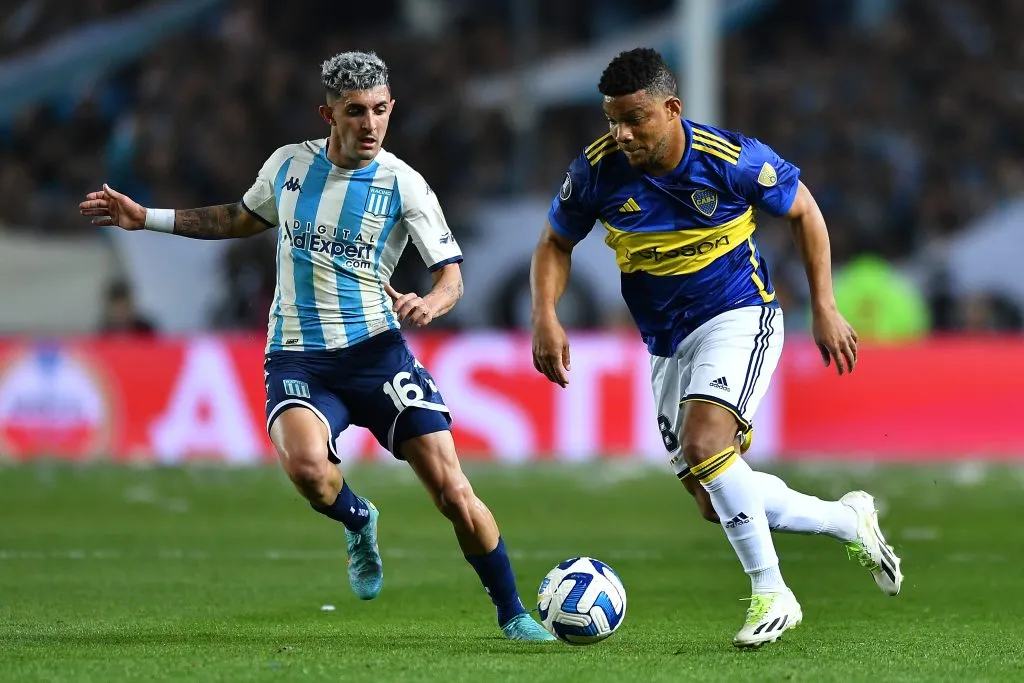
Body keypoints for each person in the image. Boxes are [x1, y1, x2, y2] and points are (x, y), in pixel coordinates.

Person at [80, 50, 553, 642]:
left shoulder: (404, 184)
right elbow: (238, 218)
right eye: (356, 111)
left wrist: (430, 304)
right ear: (327, 112)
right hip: (299, 356)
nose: (371, 124)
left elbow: (451, 274)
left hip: (379, 355)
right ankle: (359, 519)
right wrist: (145, 216)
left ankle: (513, 615)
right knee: (309, 470)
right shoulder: (288, 168)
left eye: (380, 110)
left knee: (455, 492)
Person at [530, 48, 902, 648]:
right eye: (612, 120)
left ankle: (772, 592)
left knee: (708, 445)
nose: (622, 133)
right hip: (666, 342)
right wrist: (545, 314)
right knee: (714, 497)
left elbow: (803, 210)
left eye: (635, 118)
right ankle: (847, 520)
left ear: (671, 108)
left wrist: (825, 305)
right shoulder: (597, 170)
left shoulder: (730, 160)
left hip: (738, 314)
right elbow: (554, 241)